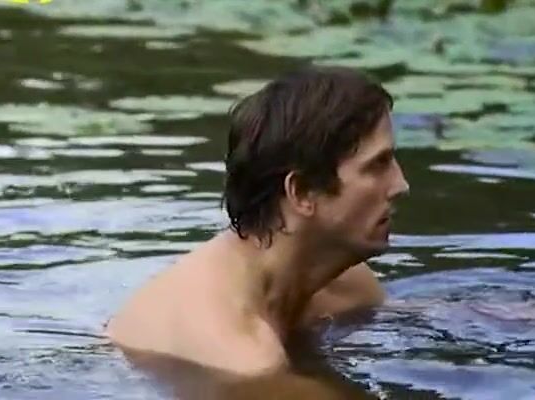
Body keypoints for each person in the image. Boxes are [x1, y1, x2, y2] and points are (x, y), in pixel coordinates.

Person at [105, 65, 410, 378]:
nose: (401, 185)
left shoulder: (345, 284)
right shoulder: (241, 354)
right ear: (302, 192)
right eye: (378, 165)